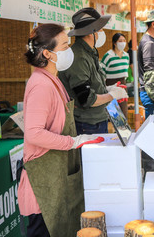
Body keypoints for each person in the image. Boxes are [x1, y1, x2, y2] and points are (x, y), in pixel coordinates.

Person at [18, 23, 103, 237]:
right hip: (44, 179)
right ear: (48, 53)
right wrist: (73, 142)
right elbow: (34, 133)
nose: (70, 51)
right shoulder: (41, 84)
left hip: (57, 172)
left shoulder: (52, 79)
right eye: (65, 46)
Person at [59, 8, 128, 135]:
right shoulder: (78, 57)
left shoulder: (90, 52)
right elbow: (86, 99)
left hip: (98, 119)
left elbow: (92, 84)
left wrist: (108, 89)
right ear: (91, 32)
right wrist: (112, 96)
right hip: (87, 124)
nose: (102, 33)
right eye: (100, 30)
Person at [100, 32, 130, 116]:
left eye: (124, 40)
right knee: (112, 112)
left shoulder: (126, 55)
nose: (123, 42)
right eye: (120, 41)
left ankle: (123, 129)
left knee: (123, 112)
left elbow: (126, 70)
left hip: (122, 84)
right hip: (110, 85)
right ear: (114, 43)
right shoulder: (108, 55)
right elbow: (101, 72)